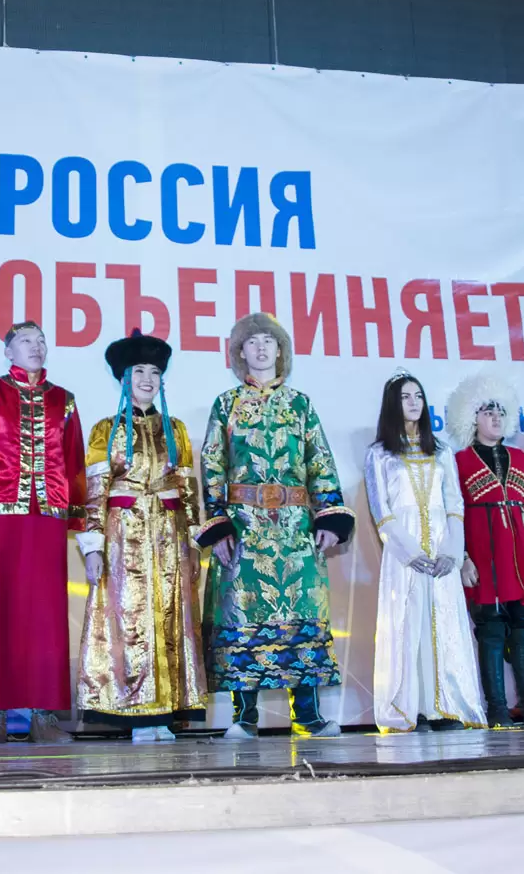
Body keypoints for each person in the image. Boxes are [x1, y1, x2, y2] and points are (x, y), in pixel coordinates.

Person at [198, 313, 354, 739]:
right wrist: (219, 525)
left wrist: (330, 515)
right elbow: (212, 465)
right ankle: (244, 717)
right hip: (245, 528)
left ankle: (308, 717)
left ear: (281, 350)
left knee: (303, 615)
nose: (262, 348)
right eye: (253, 342)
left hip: (295, 530)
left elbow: (320, 461)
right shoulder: (226, 405)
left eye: (269, 340)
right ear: (240, 352)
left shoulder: (301, 404)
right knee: (241, 616)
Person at [0, 321, 85, 743]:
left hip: (46, 520)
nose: (36, 346)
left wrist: (77, 519)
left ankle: (43, 717)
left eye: (42, 340)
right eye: (26, 341)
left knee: (45, 616)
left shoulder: (64, 400)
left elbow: (74, 463)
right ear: (8, 351)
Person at [76, 330, 205, 742]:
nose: (147, 379)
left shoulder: (176, 429)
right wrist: (93, 545)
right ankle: (137, 713)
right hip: (123, 536)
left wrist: (194, 541)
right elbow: (95, 490)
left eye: (154, 372)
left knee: (170, 618)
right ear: (123, 378)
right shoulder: (105, 430)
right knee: (130, 620)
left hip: (169, 534)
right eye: (138, 371)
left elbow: (187, 489)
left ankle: (167, 713)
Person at [364, 370, 485, 733]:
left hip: (441, 551)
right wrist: (408, 551)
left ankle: (445, 707)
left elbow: (454, 504)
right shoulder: (379, 454)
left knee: (442, 623)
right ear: (392, 404)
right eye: (405, 397)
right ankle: (408, 708)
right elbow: (381, 510)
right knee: (407, 625)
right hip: (405, 553)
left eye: (418, 396)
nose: (414, 402)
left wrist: (453, 552)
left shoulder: (441, 451)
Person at [445, 373, 524, 729]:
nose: (495, 417)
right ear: (471, 417)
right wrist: (463, 558)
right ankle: (496, 709)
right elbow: (453, 514)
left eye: (500, 412)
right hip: (484, 556)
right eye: (487, 412)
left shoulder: (520, 457)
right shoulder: (458, 461)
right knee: (491, 631)